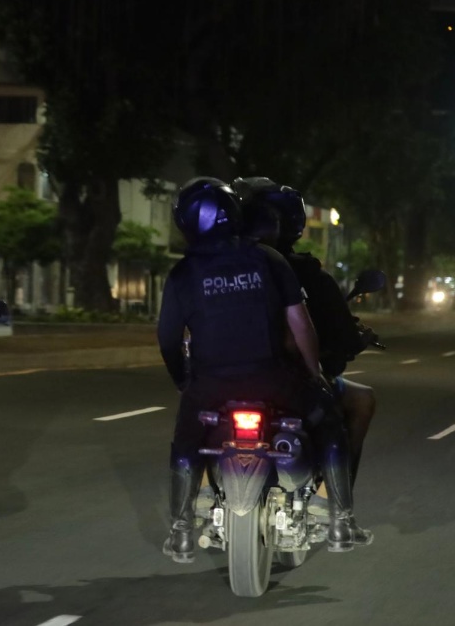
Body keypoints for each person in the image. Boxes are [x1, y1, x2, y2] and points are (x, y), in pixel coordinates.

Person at [157, 177, 371, 563]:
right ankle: (340, 520)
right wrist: (313, 373)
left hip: (211, 386)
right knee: (330, 425)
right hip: (272, 380)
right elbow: (301, 324)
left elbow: (169, 340)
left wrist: (183, 382)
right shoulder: (266, 260)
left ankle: (182, 531)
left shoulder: (182, 274)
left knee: (186, 442)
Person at [233, 177, 378, 499]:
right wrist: (324, 365)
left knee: (195, 424)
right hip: (287, 382)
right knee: (359, 400)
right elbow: (311, 331)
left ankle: (193, 505)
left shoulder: (210, 268)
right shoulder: (301, 272)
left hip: (222, 378)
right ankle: (335, 500)